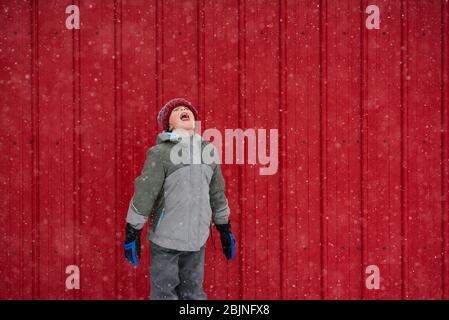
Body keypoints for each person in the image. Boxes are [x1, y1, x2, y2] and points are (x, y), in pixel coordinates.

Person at [123, 97, 235, 300]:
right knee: (164, 294)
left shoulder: (207, 152)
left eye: (188, 109)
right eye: (178, 110)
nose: (184, 110)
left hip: (196, 240)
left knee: (193, 294)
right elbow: (145, 192)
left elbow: (217, 193)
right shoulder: (160, 153)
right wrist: (133, 230)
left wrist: (224, 228)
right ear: (169, 124)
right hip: (166, 240)